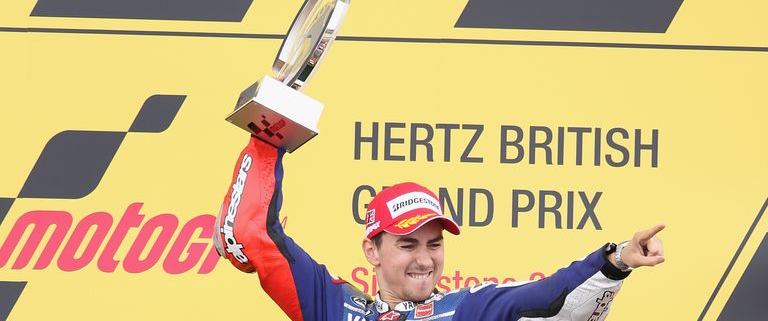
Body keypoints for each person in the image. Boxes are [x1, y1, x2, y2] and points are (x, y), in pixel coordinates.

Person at [214, 136, 665, 321]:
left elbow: (554, 302)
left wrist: (616, 260)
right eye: (407, 244)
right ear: (373, 250)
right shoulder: (333, 307)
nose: (425, 258)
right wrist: (268, 138)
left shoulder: (465, 311)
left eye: (434, 243)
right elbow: (255, 233)